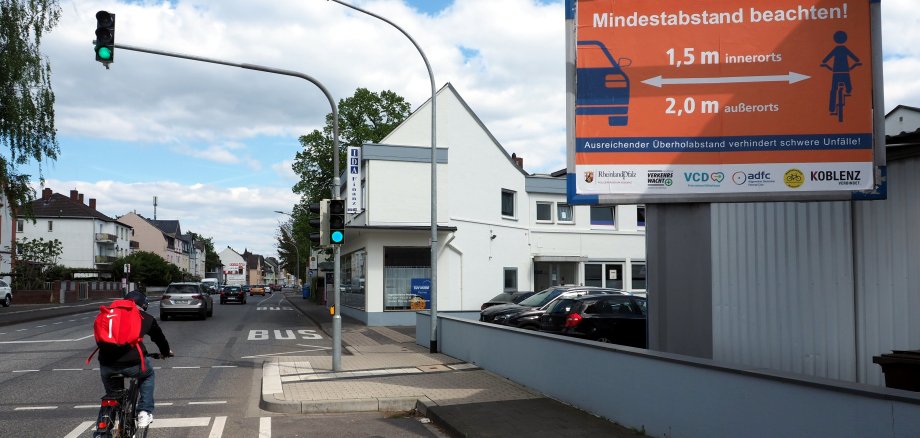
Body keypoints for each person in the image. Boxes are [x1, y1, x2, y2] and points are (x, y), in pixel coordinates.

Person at [96, 291, 173, 428]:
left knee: (112, 394)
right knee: (148, 375)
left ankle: (107, 422)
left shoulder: (108, 314)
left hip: (106, 364)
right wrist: (165, 352)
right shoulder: (144, 317)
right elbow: (159, 338)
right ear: (143, 305)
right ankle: (144, 411)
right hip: (133, 364)